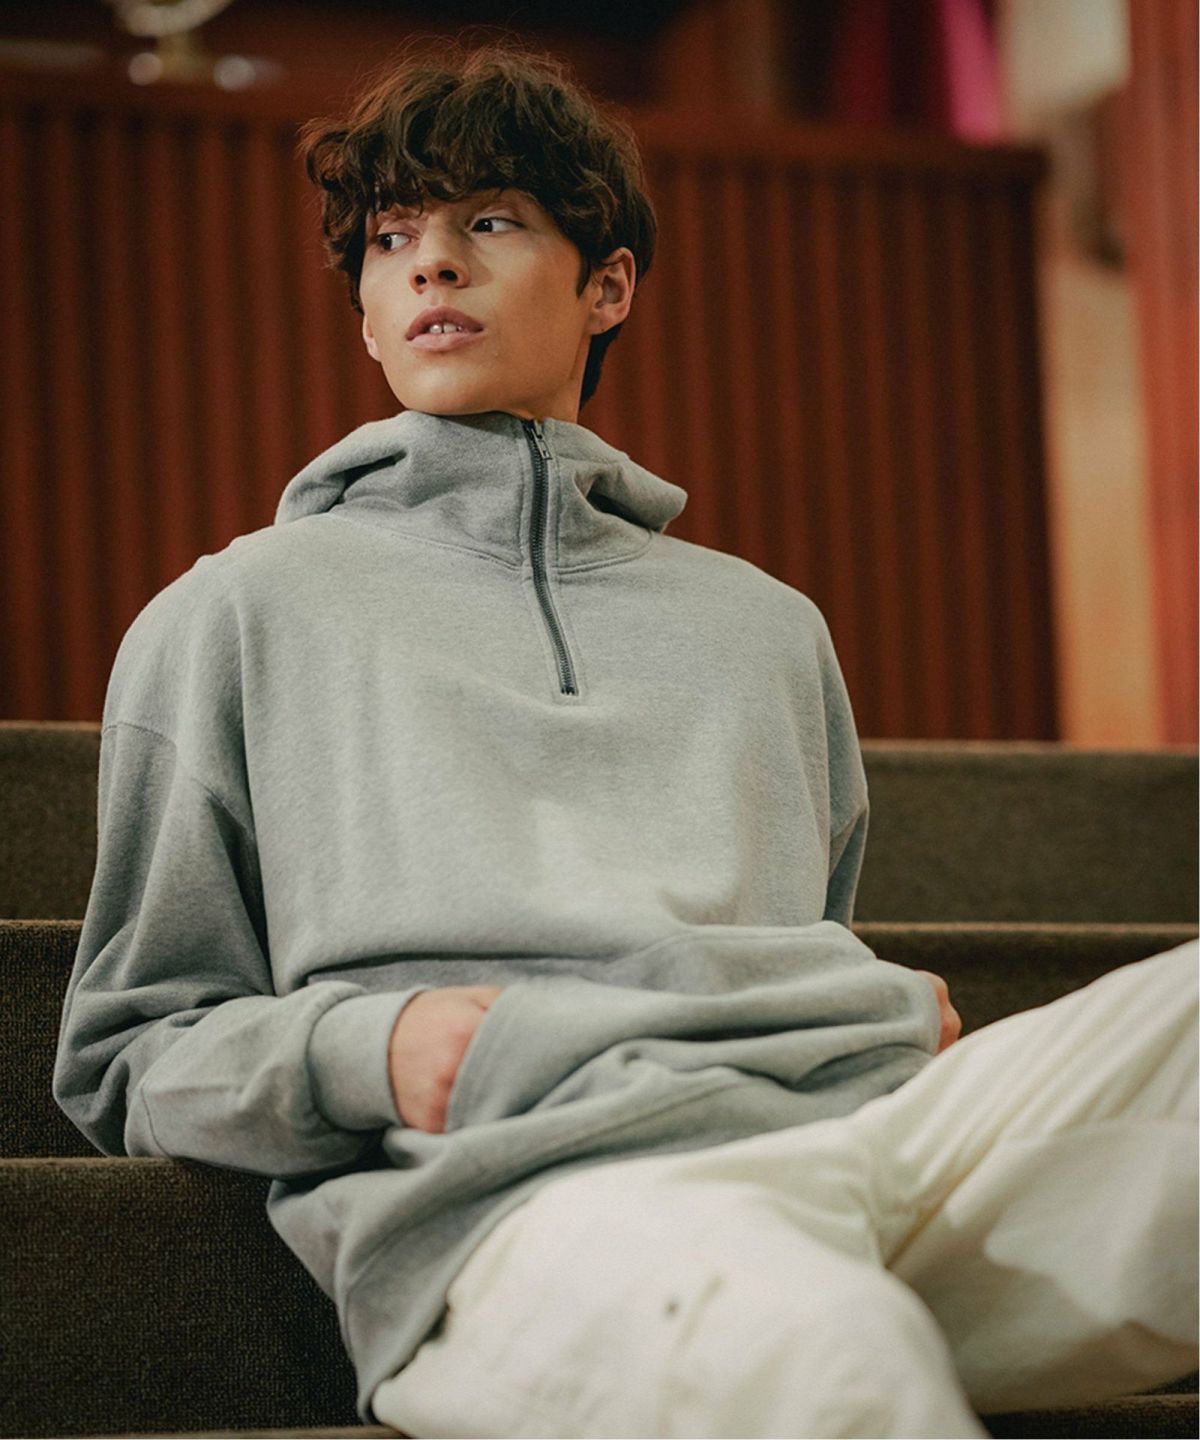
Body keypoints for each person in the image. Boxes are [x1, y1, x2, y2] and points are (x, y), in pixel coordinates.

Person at [53, 37, 1197, 1440]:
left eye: (489, 221)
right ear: (366, 317)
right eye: (392, 239)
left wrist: (865, 1004)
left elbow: (795, 933)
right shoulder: (235, 614)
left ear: (609, 286)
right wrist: (372, 1046)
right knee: (827, 1353)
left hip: (862, 1148)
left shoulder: (768, 629)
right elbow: (127, 1051)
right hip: (538, 1210)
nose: (431, 263)